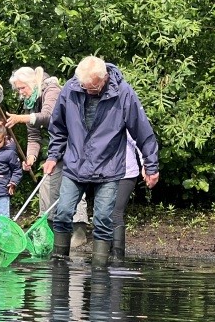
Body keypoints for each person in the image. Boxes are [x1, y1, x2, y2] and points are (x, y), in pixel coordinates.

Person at [44, 56, 160, 267]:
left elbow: (143, 131)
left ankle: (100, 269)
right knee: (62, 214)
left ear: (104, 78)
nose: (89, 91)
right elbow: (58, 127)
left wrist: (151, 165)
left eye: (94, 87)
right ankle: (58, 263)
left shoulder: (124, 93)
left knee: (104, 219)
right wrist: (53, 156)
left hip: (109, 166)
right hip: (75, 163)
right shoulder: (70, 90)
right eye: (85, 87)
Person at [5, 66, 90, 247]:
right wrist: (31, 158)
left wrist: (21, 118)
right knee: (46, 186)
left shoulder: (51, 89)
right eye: (18, 90)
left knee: (73, 185)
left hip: (73, 146)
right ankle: (50, 232)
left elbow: (49, 116)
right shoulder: (31, 103)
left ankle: (79, 232)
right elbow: (34, 136)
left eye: (22, 88)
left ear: (31, 82)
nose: (21, 93)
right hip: (53, 151)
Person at [109, 133, 143, 261]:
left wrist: (146, 165)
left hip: (126, 172)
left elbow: (140, 140)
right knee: (103, 214)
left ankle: (118, 257)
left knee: (115, 214)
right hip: (104, 174)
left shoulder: (125, 114)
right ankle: (106, 254)